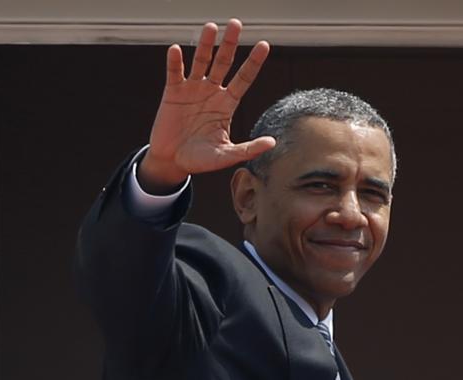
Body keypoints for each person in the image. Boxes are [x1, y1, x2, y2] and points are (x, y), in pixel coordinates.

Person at [76, 18, 396, 380]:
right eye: (320, 186)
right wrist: (161, 172)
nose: (350, 214)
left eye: (371, 194)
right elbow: (127, 277)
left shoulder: (329, 350)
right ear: (247, 196)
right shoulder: (212, 290)